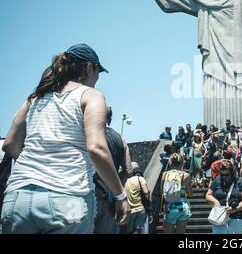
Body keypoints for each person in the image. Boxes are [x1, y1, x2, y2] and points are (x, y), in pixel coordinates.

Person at [1, 44, 130, 234]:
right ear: (89, 68)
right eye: (98, 72)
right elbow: (96, 148)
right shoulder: (91, 96)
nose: (97, 78)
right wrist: (120, 195)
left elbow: (10, 145)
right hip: (68, 197)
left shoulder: (35, 98)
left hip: (18, 197)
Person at [94, 106, 133, 234]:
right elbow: (128, 170)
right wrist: (116, 187)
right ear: (109, 119)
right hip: (109, 197)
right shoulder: (119, 138)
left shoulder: (87, 134)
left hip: (85, 195)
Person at [206, 159, 242, 234]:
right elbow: (208, 194)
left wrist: (236, 208)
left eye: (227, 175)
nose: (224, 177)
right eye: (222, 175)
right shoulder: (217, 180)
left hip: (237, 216)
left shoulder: (239, 181)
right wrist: (215, 201)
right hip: (219, 215)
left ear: (232, 173)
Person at [161, 153, 192, 234]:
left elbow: (162, 191)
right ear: (182, 163)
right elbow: (190, 194)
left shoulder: (165, 174)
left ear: (170, 162)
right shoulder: (186, 175)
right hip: (182, 207)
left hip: (170, 207)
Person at [125, 162, 151, 234]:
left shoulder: (126, 181)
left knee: (130, 231)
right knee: (139, 229)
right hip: (140, 208)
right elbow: (146, 192)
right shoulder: (140, 179)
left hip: (130, 210)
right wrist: (149, 191)